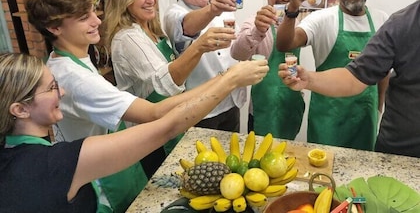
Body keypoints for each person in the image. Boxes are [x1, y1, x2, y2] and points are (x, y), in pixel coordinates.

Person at [23, 0, 268, 212]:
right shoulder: (75, 77)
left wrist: (224, 78)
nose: (96, 21)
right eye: (83, 18)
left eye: (92, 12)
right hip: (101, 183)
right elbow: (154, 112)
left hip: (115, 163)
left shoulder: (76, 61)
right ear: (54, 27)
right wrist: (228, 79)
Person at [0, 53, 267, 212]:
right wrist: (230, 80)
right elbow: (165, 126)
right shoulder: (53, 164)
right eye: (51, 88)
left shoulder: (13, 154)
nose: (63, 93)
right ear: (20, 109)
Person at [103, 0, 236, 178]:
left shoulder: (152, 30)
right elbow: (164, 84)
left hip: (168, 125)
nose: (151, 0)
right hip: (148, 135)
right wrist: (200, 46)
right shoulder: (128, 37)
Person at [278, 0, 420, 158]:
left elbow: (383, 75)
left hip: (364, 121)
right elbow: (354, 77)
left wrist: (379, 106)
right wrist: (308, 79)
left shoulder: (380, 18)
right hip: (401, 152)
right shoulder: (401, 24)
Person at [276, 0, 389, 151]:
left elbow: (384, 70)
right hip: (328, 117)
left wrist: (379, 107)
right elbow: (284, 44)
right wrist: (292, 9)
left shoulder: (383, 20)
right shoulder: (322, 19)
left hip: (364, 116)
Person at [163, 0, 246, 132]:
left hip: (231, 101)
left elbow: (237, 47)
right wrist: (212, 10)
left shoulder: (222, 9)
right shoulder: (173, 13)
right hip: (200, 110)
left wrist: (255, 34)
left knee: (231, 156)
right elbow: (186, 26)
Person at [230, 0, 313, 139]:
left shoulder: (300, 22)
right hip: (262, 110)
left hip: (291, 106)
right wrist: (257, 30)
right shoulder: (254, 21)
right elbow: (237, 53)